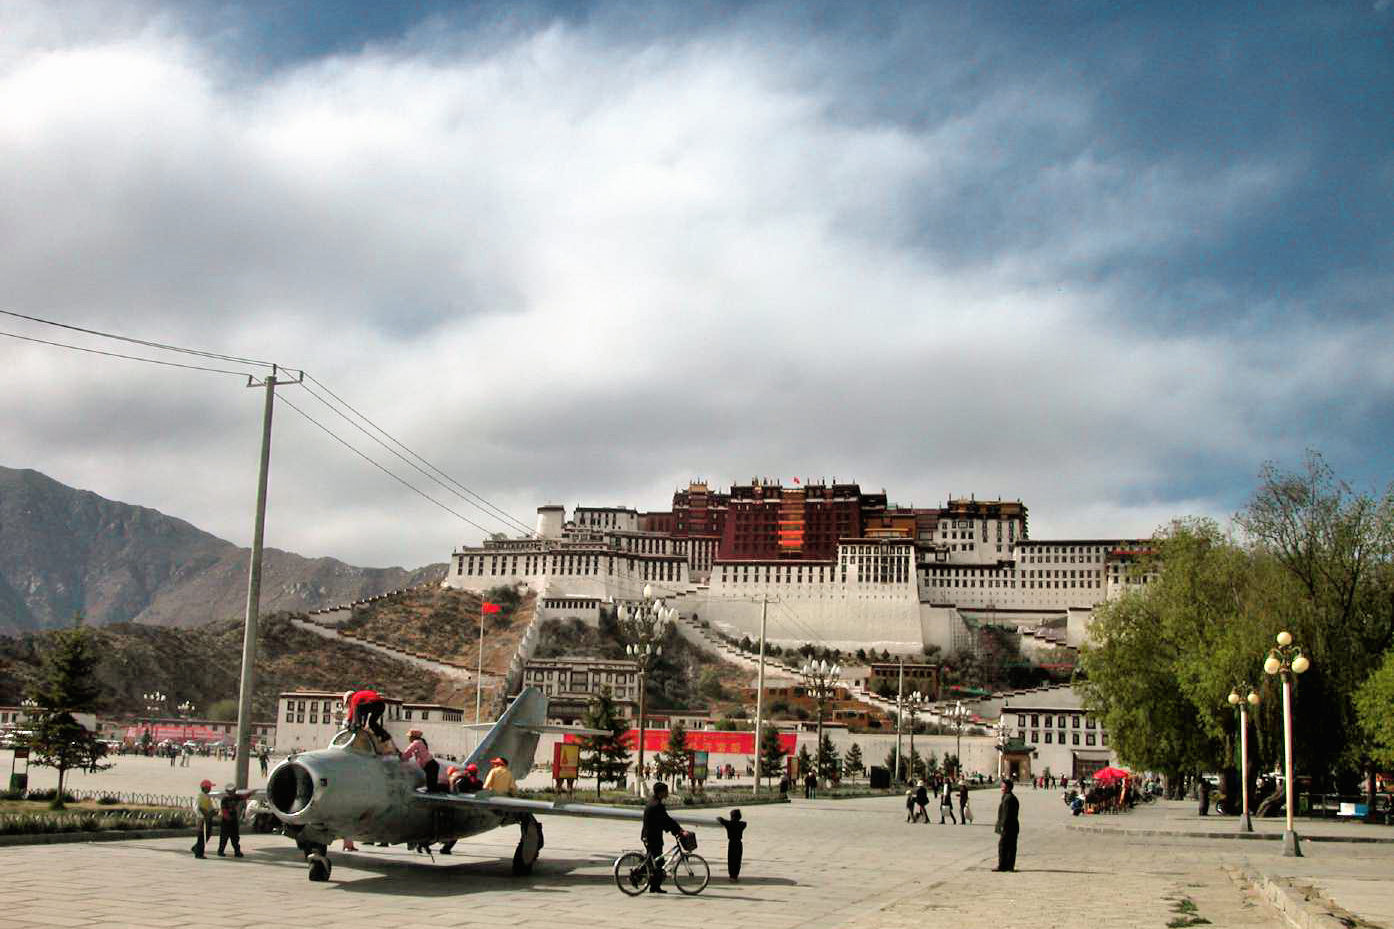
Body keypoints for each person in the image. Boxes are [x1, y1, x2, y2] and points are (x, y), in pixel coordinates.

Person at [641, 781, 686, 893]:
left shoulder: (653, 802)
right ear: (661, 792)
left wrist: (674, 829)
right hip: (653, 836)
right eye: (666, 791)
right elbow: (666, 820)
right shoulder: (657, 805)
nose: (667, 793)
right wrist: (678, 830)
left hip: (649, 835)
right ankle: (644, 879)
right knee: (658, 861)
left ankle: (654, 886)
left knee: (655, 861)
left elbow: (664, 820)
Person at [217, 783, 250, 857]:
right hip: (226, 821)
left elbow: (244, 797)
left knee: (235, 837)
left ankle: (237, 852)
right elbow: (224, 810)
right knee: (224, 837)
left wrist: (251, 793)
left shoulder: (236, 797)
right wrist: (227, 817)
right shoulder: (225, 800)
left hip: (233, 820)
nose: (232, 793)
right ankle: (220, 851)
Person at [993, 779, 1019, 872]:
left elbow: (1006, 815)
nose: (1001, 788)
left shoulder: (1008, 799)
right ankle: (1009, 866)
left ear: (1008, 788)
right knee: (1010, 846)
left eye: (1003, 787)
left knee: (1003, 846)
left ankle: (1003, 865)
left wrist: (1003, 826)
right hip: (1012, 826)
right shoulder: (1008, 797)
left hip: (1008, 827)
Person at [716, 809, 745, 882]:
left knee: (731, 860)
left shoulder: (728, 824)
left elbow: (720, 819)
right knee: (737, 860)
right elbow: (743, 823)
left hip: (732, 844)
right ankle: (735, 876)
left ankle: (731, 876)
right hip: (739, 843)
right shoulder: (742, 824)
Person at [191, 779, 215, 859]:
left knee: (207, 835)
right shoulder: (200, 796)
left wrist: (213, 812)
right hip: (202, 819)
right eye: (209, 787)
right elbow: (197, 808)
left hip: (207, 818)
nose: (210, 789)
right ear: (205, 788)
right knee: (201, 836)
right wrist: (202, 816)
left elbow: (210, 807)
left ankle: (196, 848)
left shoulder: (207, 796)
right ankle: (199, 854)